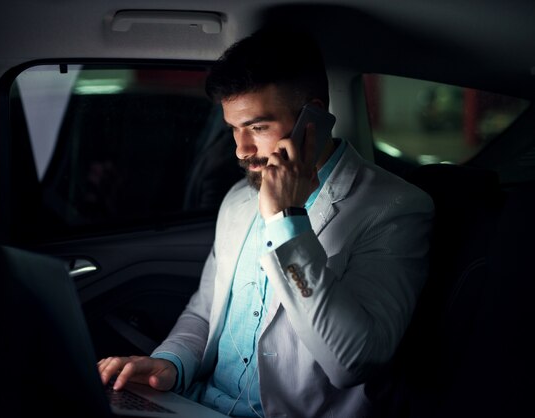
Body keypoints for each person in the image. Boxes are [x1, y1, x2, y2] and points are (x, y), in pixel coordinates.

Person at [97, 27, 434, 417]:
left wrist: (286, 220)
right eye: (233, 129)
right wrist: (171, 364)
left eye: (257, 128)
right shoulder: (239, 199)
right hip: (198, 404)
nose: (241, 150)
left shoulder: (395, 208)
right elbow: (205, 311)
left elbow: (351, 363)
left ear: (314, 118)